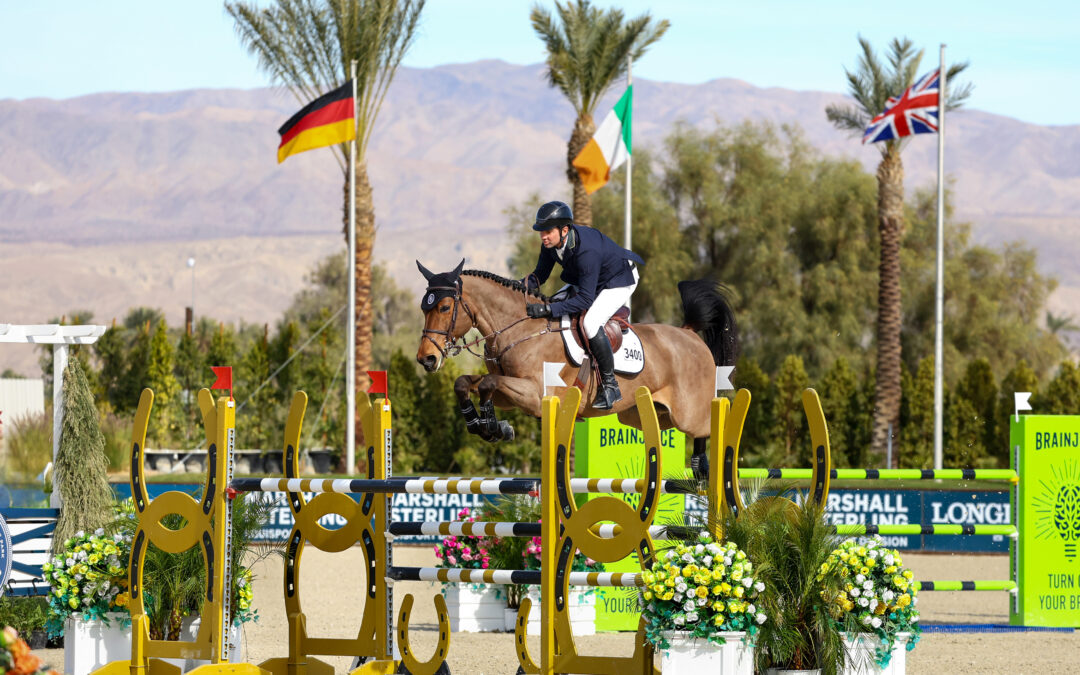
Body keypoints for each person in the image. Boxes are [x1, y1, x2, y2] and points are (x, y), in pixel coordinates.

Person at [523, 200, 644, 410]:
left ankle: (610, 385)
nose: (543, 236)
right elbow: (540, 275)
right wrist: (518, 286)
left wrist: (548, 309)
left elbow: (585, 300)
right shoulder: (551, 244)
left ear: (564, 230)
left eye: (548, 231)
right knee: (557, 303)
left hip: (619, 279)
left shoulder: (587, 251)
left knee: (590, 322)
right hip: (590, 278)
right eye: (541, 231)